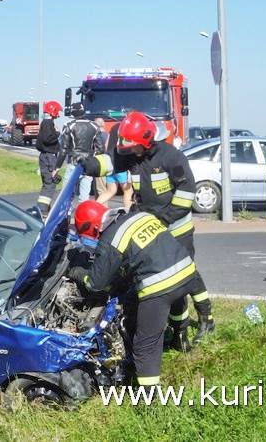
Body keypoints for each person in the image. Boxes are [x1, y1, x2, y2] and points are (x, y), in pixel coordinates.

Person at [80, 112, 215, 344]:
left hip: (176, 228)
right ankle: (178, 328)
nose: (124, 147)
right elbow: (112, 160)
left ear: (144, 142)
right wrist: (88, 165)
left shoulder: (171, 157)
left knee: (185, 274)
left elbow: (186, 193)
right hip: (152, 225)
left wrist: (164, 219)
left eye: (128, 143)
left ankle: (205, 317)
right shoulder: (133, 155)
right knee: (163, 278)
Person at [67, 200, 197, 386]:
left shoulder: (110, 240)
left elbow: (95, 284)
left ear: (94, 228)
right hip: (186, 272)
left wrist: (76, 272)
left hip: (160, 287)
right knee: (172, 301)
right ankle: (181, 340)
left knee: (145, 347)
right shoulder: (137, 215)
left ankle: (149, 401)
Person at [52, 103, 100, 204]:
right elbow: (101, 148)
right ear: (83, 111)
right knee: (84, 197)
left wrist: (57, 167)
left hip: (73, 163)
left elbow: (63, 149)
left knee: (67, 194)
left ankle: (66, 216)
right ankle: (83, 218)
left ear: (73, 113)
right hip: (88, 165)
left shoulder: (69, 125)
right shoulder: (94, 126)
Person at [35, 101, 62, 215]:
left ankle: (44, 209)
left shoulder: (46, 123)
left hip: (46, 156)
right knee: (50, 184)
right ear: (53, 111)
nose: (59, 114)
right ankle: (42, 210)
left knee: (48, 183)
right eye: (58, 111)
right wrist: (57, 133)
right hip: (49, 157)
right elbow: (47, 139)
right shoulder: (48, 123)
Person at [93, 118, 109, 198]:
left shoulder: (95, 136)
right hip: (107, 162)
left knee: (100, 189)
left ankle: (101, 207)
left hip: (99, 163)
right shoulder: (108, 135)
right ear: (104, 124)